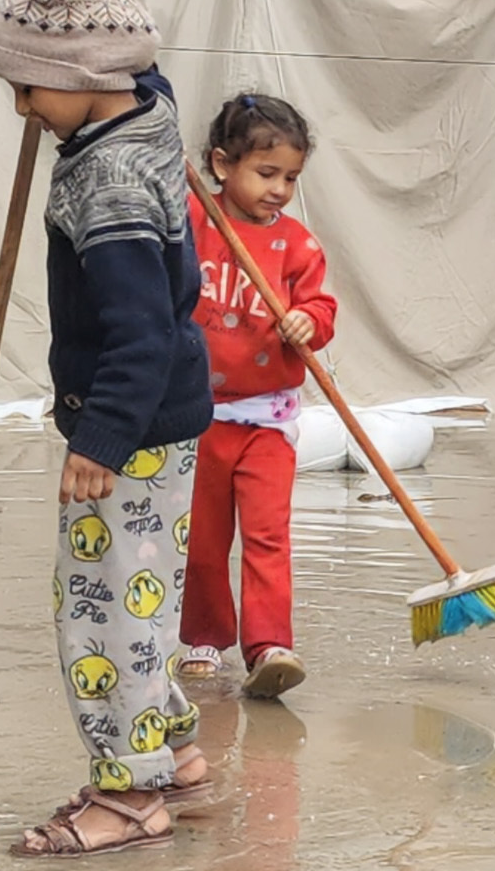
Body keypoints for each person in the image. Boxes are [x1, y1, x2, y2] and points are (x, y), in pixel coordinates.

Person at [0, 0, 215, 857]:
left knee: (101, 614)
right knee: (139, 600)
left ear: (84, 74)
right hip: (166, 423)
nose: (22, 108)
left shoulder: (108, 182)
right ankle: (177, 753)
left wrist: (100, 439)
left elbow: (141, 333)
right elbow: (143, 61)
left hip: (132, 428)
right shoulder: (149, 110)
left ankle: (129, 795)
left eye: (27, 88)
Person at [177, 94, 336, 699]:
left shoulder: (299, 246)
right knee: (203, 539)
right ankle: (203, 637)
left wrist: (307, 320)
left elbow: (321, 307)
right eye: (266, 173)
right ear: (222, 164)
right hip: (198, 416)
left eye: (291, 178)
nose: (279, 190)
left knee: (268, 535)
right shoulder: (193, 220)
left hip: (269, 420)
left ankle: (269, 645)